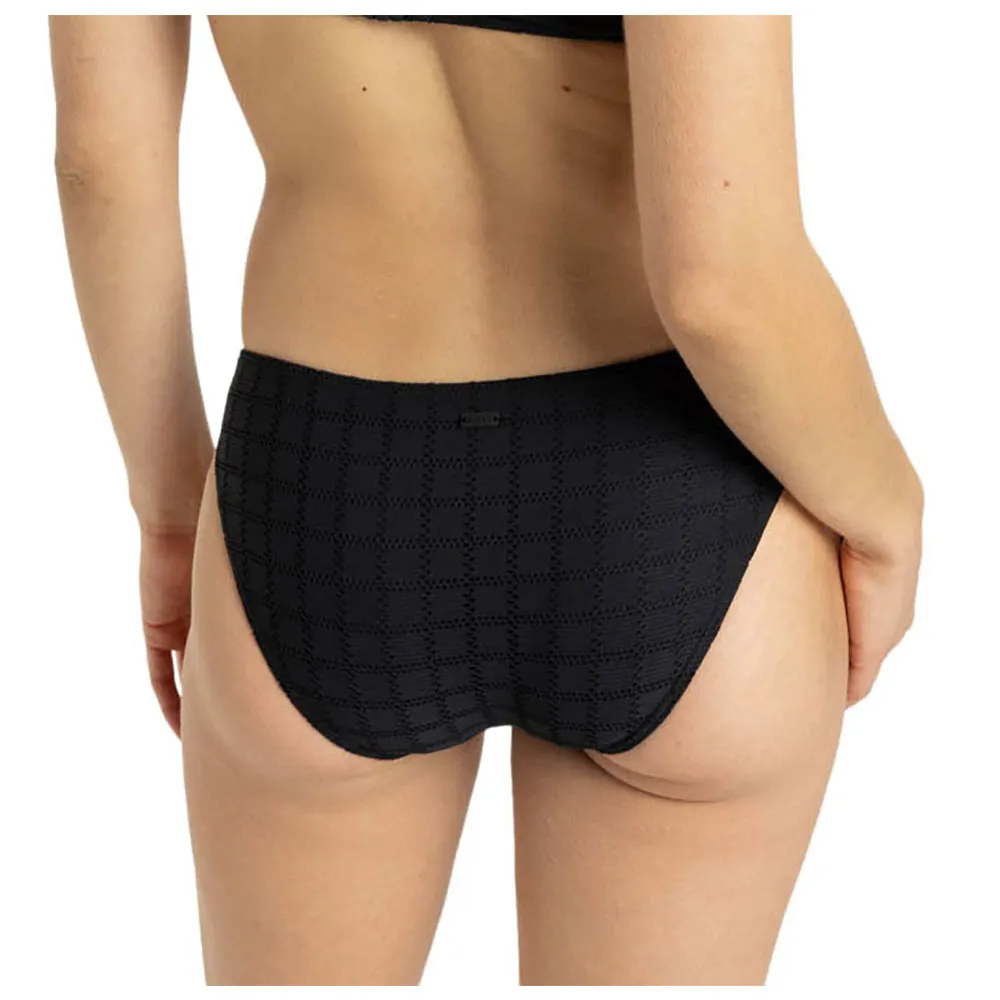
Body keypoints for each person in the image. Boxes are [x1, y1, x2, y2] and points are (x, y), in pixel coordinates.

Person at [49, 14, 923, 986]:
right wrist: (887, 511)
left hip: (322, 495)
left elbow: (99, 162)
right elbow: (721, 283)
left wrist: (171, 503)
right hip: (666, 501)